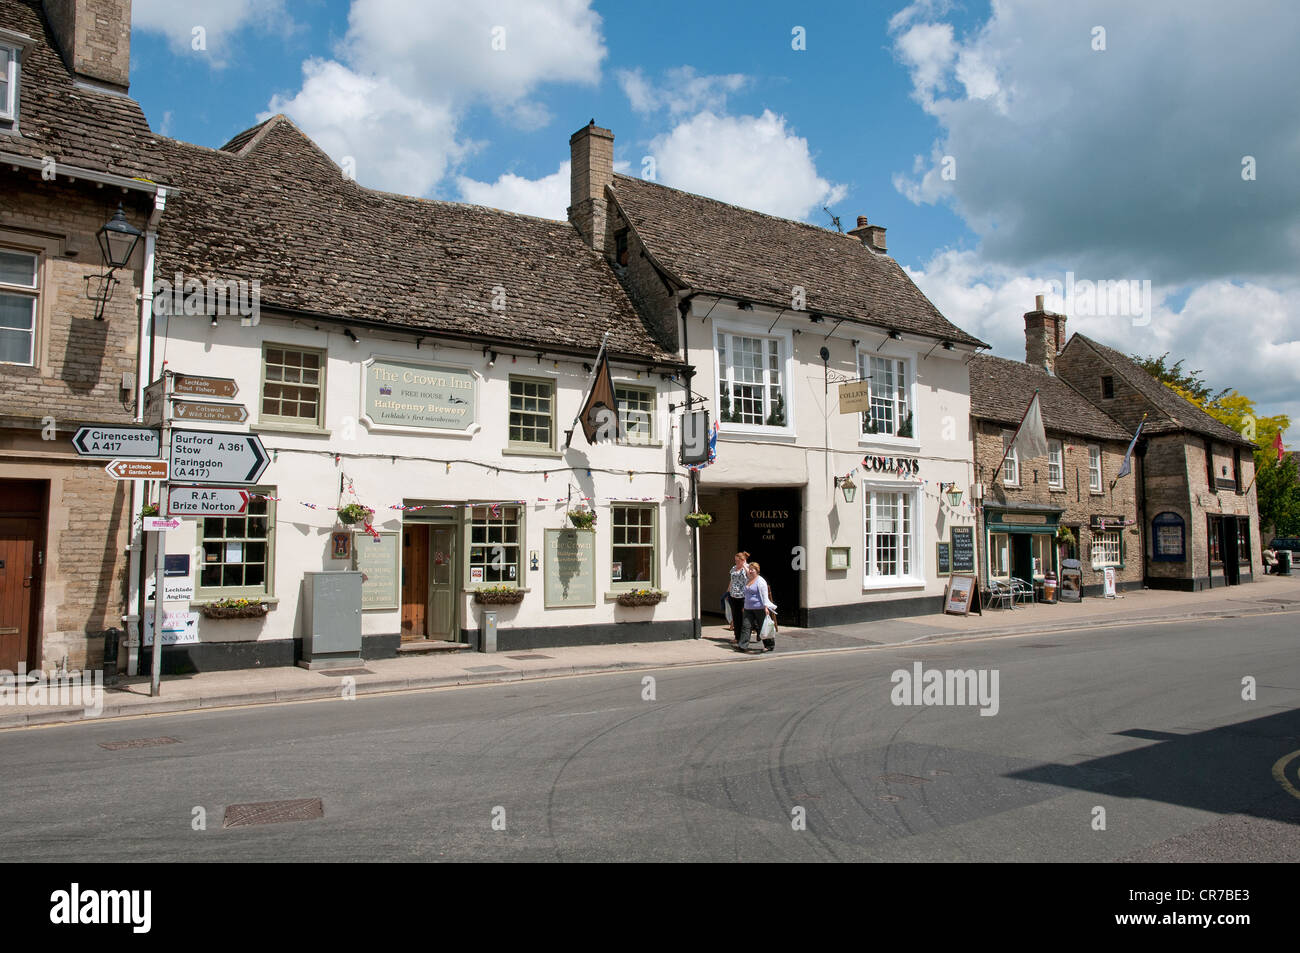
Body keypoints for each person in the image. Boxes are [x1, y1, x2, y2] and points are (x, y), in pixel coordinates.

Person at [737, 561, 777, 653]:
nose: (750, 571)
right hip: (748, 608)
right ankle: (742, 645)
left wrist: (766, 607)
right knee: (746, 626)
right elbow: (746, 595)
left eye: (752, 570)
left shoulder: (761, 581)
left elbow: (764, 596)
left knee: (763, 626)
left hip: (760, 608)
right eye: (750, 569)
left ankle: (769, 645)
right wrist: (744, 564)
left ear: (757, 571)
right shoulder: (748, 579)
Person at [727, 551, 750, 642]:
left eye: (738, 561)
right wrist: (728, 590)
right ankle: (737, 637)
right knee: (736, 616)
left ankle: (745, 636)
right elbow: (731, 580)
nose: (736, 562)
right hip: (733, 594)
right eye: (735, 560)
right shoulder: (734, 568)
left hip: (743, 595)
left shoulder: (747, 568)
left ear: (743, 560)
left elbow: (750, 576)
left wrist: (744, 565)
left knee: (743, 617)